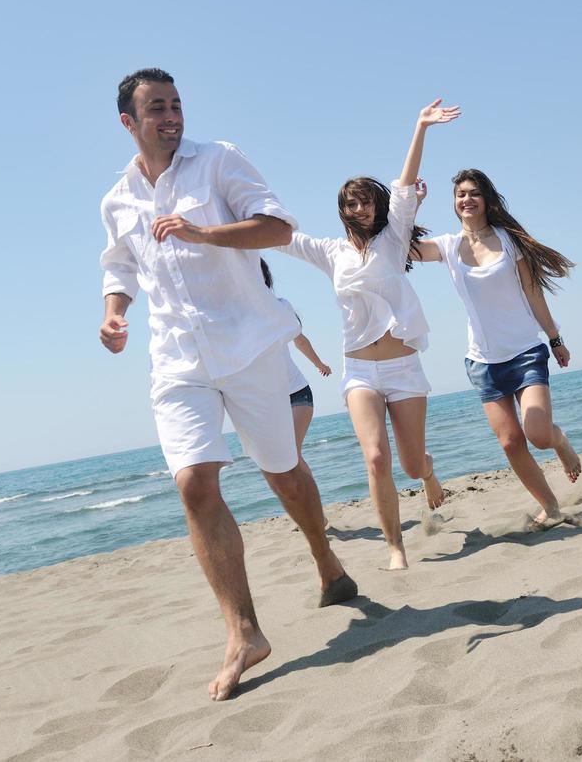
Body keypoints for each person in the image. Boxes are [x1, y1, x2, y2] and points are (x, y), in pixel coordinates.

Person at [98, 68, 357, 701]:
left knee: (282, 470)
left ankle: (326, 560)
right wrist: (113, 311)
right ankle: (244, 632)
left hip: (247, 346)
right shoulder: (117, 200)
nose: (171, 116)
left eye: (176, 105)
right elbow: (120, 265)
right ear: (129, 123)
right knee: (194, 481)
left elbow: (278, 228)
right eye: (156, 108)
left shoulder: (218, 161)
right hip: (177, 359)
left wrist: (203, 232)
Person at [277, 99, 456, 571]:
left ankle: (429, 472)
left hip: (402, 368)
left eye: (365, 200)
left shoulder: (394, 241)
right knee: (376, 458)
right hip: (359, 369)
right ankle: (395, 545)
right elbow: (281, 237)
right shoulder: (331, 252)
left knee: (411, 466)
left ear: (377, 205)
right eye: (349, 203)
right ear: (341, 211)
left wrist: (420, 126)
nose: (359, 207)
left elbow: (403, 187)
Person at [413, 168, 582, 526]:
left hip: (524, 352)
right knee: (510, 442)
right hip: (482, 362)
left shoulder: (509, 241)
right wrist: (413, 205)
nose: (467, 199)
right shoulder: (447, 247)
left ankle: (561, 441)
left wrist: (554, 338)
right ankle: (551, 507)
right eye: (460, 194)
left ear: (487, 199)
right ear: (454, 203)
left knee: (537, 434)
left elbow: (533, 293)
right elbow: (402, 249)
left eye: (474, 193)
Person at [259, 259, 333, 468]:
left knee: (291, 453)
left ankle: (310, 501)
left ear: (264, 277)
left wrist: (319, 363)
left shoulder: (281, 307)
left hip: (297, 392)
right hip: (266, 400)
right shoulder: (238, 315)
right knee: (279, 460)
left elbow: (299, 338)